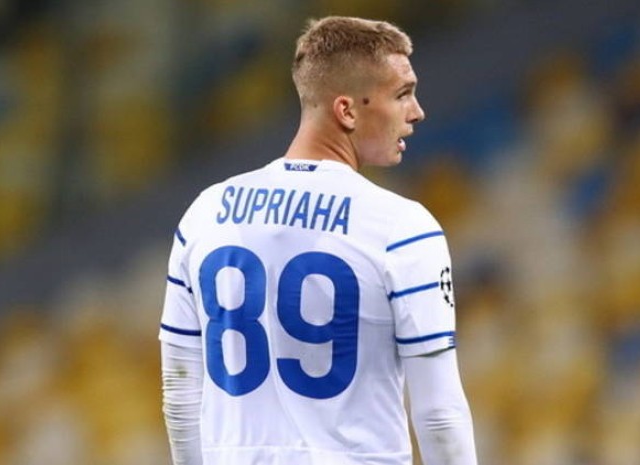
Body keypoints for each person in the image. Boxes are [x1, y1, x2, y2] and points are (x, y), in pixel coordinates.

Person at [159, 16, 478, 465]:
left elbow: (180, 392)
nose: (417, 111)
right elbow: (439, 414)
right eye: (402, 94)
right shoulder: (402, 227)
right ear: (346, 110)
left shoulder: (206, 214)